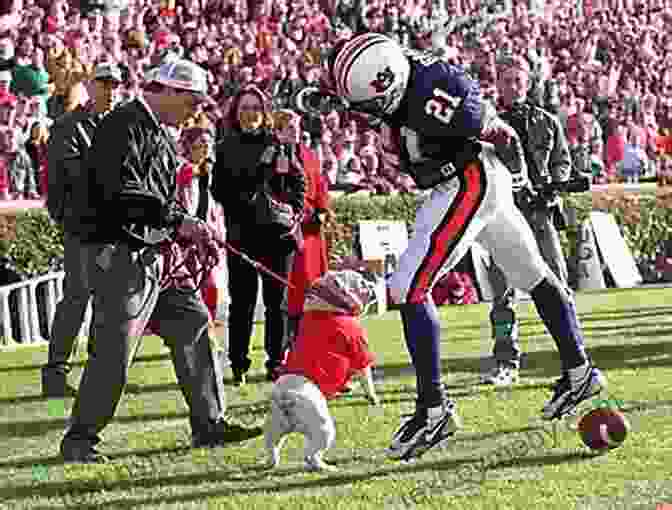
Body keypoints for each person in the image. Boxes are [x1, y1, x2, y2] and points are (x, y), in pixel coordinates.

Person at [325, 33, 606, 460]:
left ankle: (433, 409)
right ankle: (580, 370)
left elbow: (500, 133)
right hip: (473, 180)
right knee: (531, 272)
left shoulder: (440, 93)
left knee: (407, 287)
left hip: (467, 180)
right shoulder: (388, 71)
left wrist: (518, 177)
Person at [59, 58, 261, 463]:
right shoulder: (122, 125)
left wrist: (185, 232)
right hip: (123, 256)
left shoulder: (160, 133)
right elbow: (122, 192)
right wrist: (180, 221)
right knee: (115, 351)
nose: (195, 110)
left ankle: (209, 423)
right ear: (165, 90)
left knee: (194, 325)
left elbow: (160, 199)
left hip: (157, 257)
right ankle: (80, 441)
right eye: (190, 101)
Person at [482, 54, 574, 387]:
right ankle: (506, 361)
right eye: (507, 80)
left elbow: (563, 161)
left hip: (540, 213)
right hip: (503, 215)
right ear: (498, 85)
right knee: (502, 295)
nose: (514, 86)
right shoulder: (486, 123)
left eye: (519, 80)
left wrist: (553, 189)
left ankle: (573, 358)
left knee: (559, 285)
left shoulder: (548, 121)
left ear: (529, 83)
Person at [212, 87, 305, 385]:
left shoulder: (277, 144)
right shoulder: (225, 147)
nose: (250, 113)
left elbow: (297, 182)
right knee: (242, 304)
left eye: (255, 108)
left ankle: (276, 361)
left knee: (277, 302)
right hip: (241, 235)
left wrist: (294, 212)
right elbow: (219, 191)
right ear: (235, 114)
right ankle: (238, 363)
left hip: (277, 235)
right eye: (244, 108)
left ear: (263, 112)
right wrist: (250, 191)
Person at [42, 62, 124, 398]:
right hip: (81, 225)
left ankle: (97, 375)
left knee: (107, 303)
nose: (110, 90)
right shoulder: (69, 126)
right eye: (104, 83)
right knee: (77, 298)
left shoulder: (119, 126)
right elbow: (74, 177)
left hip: (111, 227)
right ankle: (56, 372)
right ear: (90, 86)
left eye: (114, 84)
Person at [264, 270, 380, 472]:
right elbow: (363, 365)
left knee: (277, 427)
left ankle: (271, 457)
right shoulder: (351, 327)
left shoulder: (307, 320)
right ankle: (313, 458)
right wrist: (371, 393)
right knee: (323, 430)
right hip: (307, 391)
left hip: (283, 384)